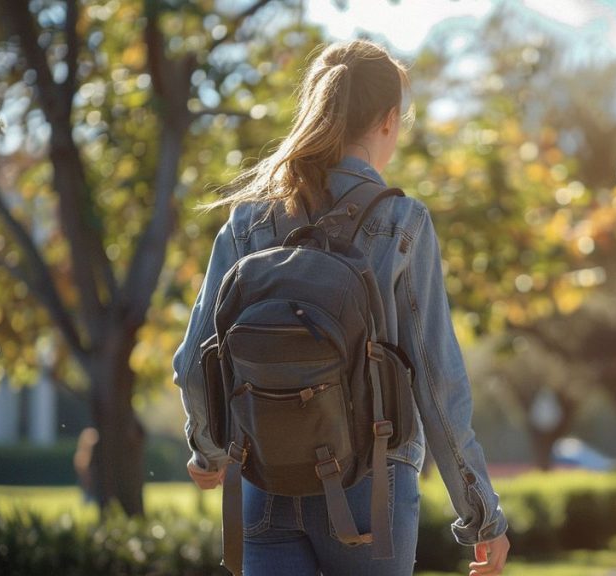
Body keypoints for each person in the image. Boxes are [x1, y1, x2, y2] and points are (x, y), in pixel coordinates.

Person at [172, 39, 510, 576]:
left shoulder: (250, 221)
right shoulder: (403, 222)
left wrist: (208, 451)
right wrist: (481, 517)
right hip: (371, 488)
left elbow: (195, 362)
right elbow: (438, 386)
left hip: (264, 476)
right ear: (388, 120)